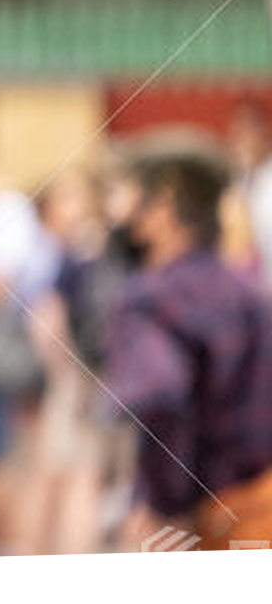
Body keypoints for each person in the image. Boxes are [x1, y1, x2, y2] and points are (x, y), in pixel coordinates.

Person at [105, 147, 272, 603]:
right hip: (253, 519)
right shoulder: (250, 293)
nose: (117, 210)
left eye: (127, 195)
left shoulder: (151, 299)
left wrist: (165, 506)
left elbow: (159, 395)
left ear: (162, 207)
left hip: (186, 534)